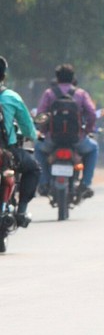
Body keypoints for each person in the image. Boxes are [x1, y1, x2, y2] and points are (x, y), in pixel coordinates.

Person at [35, 63, 99, 198]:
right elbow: (92, 114)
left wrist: (44, 130)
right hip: (77, 140)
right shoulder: (81, 94)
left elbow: (40, 115)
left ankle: (44, 182)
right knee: (93, 148)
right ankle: (85, 184)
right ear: (73, 78)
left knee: (38, 149)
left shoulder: (49, 93)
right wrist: (87, 130)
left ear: (57, 78)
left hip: (52, 140)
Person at [0, 56, 41, 227]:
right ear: (3, 76)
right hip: (6, 152)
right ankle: (22, 210)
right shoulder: (11, 97)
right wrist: (33, 135)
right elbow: (27, 127)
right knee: (33, 169)